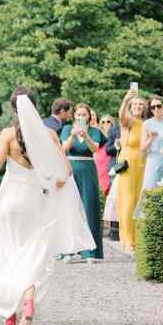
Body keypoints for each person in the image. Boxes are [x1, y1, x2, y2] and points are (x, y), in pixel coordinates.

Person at [0, 86, 95, 325]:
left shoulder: (7, 135)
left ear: (13, 108)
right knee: (33, 255)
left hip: (10, 203)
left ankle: (9, 316)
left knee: (10, 254)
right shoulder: (48, 134)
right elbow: (66, 172)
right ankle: (28, 304)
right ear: (35, 107)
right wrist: (50, 182)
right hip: (35, 202)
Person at [61, 103, 106, 262]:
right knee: (70, 208)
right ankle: (69, 250)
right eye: (78, 115)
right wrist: (73, 136)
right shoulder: (67, 129)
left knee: (89, 208)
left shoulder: (94, 131)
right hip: (71, 169)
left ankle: (90, 251)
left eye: (84, 115)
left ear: (89, 117)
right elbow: (64, 148)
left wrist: (85, 135)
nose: (81, 117)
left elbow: (95, 149)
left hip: (88, 169)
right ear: (74, 116)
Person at [116, 89, 147, 252]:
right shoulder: (127, 120)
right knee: (127, 201)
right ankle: (128, 239)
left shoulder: (145, 123)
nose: (137, 107)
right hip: (128, 160)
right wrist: (126, 99)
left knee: (138, 200)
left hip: (143, 161)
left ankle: (137, 237)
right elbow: (121, 114)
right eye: (135, 104)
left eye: (140, 105)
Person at [94, 115, 115, 195]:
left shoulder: (115, 135)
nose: (105, 123)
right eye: (103, 122)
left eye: (108, 121)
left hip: (111, 164)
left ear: (112, 123)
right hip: (99, 164)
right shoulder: (97, 135)